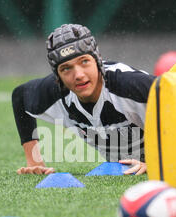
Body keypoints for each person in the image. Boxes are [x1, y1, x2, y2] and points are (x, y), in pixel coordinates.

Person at [12, 24, 156, 175]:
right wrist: (34, 162)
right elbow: (20, 96)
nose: (78, 75)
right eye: (66, 68)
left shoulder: (130, 85)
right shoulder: (57, 94)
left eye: (84, 61)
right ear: (58, 77)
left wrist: (156, 163)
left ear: (98, 59)